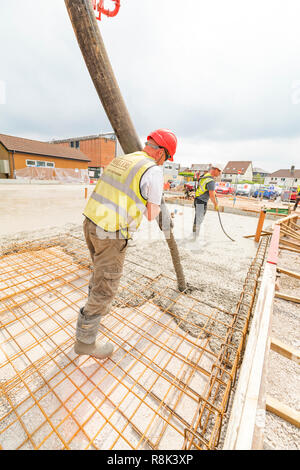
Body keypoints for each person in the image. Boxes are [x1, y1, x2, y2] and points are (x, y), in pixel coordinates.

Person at [74, 129, 177, 359]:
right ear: (161, 153)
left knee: (100, 273)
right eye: (167, 157)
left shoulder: (124, 159)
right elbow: (152, 214)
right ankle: (85, 342)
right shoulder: (153, 171)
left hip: (91, 223)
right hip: (111, 233)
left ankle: (96, 308)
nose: (165, 162)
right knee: (106, 285)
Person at [191, 164, 223, 238]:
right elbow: (211, 195)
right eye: (219, 171)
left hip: (197, 199)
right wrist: (215, 205)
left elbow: (203, 187)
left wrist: (212, 191)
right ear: (215, 169)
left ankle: (194, 235)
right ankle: (195, 238)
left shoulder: (204, 176)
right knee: (199, 220)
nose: (219, 173)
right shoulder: (210, 181)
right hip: (202, 201)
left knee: (197, 219)